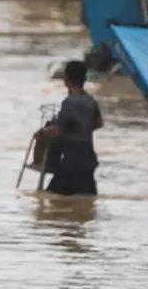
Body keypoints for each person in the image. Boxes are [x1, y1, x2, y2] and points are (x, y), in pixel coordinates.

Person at [36, 60, 103, 196]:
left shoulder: (69, 103)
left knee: (48, 199)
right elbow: (98, 123)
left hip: (72, 164)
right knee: (86, 201)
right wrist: (81, 129)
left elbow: (58, 130)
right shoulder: (90, 100)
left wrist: (41, 133)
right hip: (88, 162)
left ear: (66, 79)